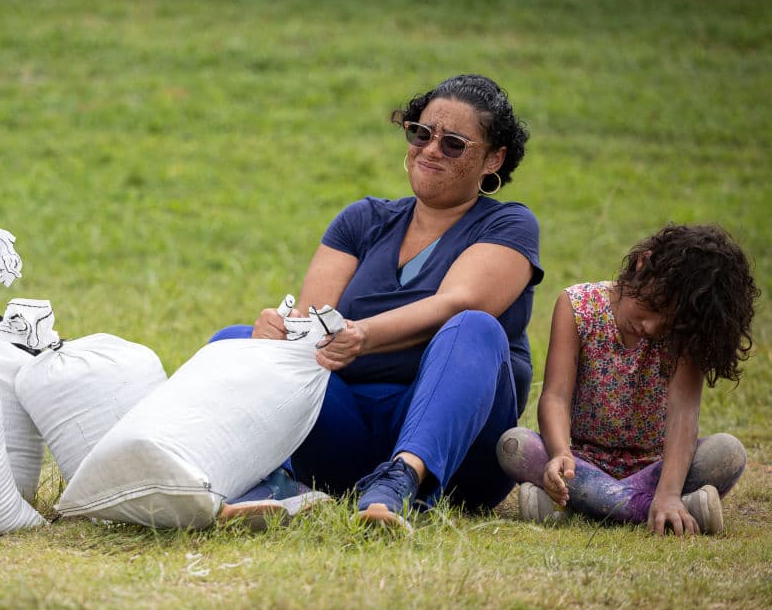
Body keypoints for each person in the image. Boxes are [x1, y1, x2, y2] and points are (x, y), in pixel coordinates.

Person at [212, 74, 542, 531]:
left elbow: (459, 302)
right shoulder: (362, 220)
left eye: (453, 144)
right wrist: (279, 334)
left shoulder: (509, 225)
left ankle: (402, 479)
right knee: (233, 342)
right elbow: (310, 333)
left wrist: (363, 335)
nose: (429, 150)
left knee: (475, 327)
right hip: (349, 440)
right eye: (421, 133)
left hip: (460, 456)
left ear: (494, 159)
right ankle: (263, 482)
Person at [496, 224, 758, 535]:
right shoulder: (578, 306)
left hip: (655, 468)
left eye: (668, 323)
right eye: (654, 307)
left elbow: (683, 415)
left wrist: (669, 491)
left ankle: (579, 508)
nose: (651, 326)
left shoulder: (683, 339)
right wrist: (560, 454)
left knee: (728, 452)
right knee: (514, 445)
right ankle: (667, 511)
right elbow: (555, 396)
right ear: (642, 265)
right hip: (581, 462)